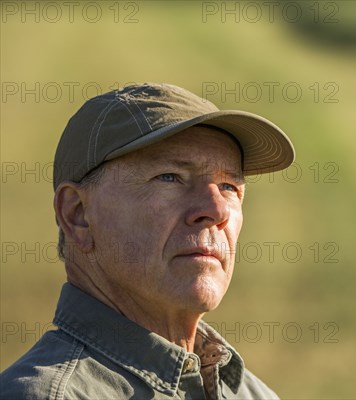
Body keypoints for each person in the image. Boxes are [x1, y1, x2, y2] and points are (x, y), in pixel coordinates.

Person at [0, 83, 295, 399]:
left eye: (228, 186)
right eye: (170, 177)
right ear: (78, 215)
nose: (216, 210)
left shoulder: (253, 394)